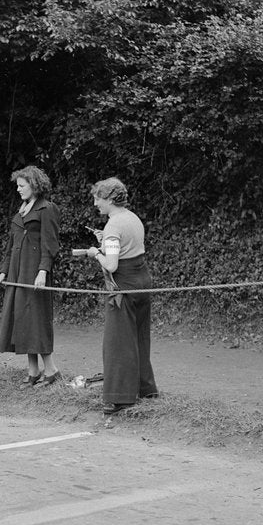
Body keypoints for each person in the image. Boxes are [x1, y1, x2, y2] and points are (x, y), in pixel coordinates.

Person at [84, 177, 159, 422]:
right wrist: (104, 243)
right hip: (142, 283)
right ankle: (145, 389)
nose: (95, 203)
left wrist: (96, 253)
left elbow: (112, 264)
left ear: (109, 199)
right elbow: (126, 248)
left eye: (98, 198)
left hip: (123, 287)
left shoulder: (113, 226)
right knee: (138, 336)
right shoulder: (133, 218)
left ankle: (118, 398)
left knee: (117, 343)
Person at [0, 165, 62, 387]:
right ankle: (33, 372)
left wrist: (43, 271)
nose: (18, 190)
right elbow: (10, 246)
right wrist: (2, 272)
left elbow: (50, 245)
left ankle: (51, 371)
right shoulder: (20, 212)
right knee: (21, 319)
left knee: (36, 320)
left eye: (22, 186)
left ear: (34, 185)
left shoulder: (47, 209)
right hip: (16, 272)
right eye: (18, 186)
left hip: (34, 272)